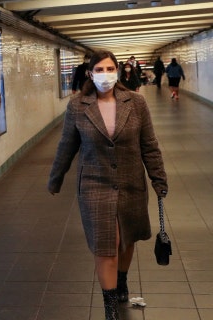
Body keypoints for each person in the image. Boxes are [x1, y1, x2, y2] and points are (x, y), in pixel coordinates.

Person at [48, 50, 168, 320]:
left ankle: (121, 279)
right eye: (99, 70)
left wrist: (159, 178)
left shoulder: (135, 103)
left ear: (118, 71)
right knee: (107, 243)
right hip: (94, 184)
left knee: (126, 239)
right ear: (90, 74)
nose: (105, 75)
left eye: (109, 69)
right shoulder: (78, 106)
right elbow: (66, 145)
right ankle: (110, 305)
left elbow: (149, 144)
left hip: (130, 182)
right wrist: (55, 178)